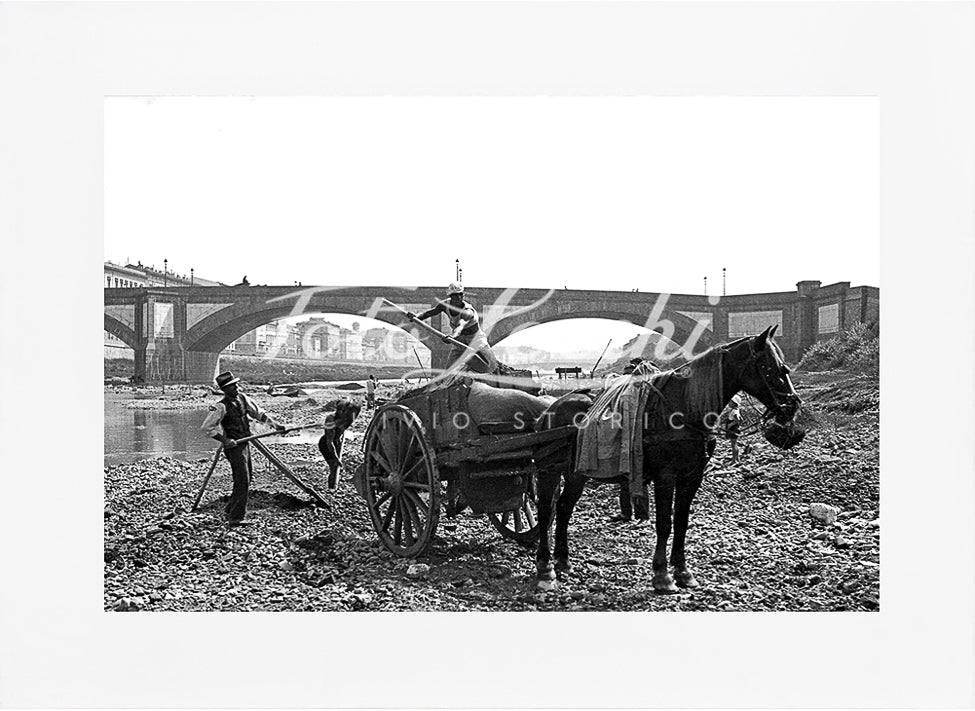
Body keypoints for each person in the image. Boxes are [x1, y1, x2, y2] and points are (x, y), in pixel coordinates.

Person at [201, 371, 286, 526]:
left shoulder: (243, 399)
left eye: (236, 385)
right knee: (243, 480)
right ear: (225, 390)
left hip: (245, 443)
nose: (237, 388)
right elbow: (207, 428)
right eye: (232, 387)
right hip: (234, 447)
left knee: (246, 478)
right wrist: (225, 440)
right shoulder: (220, 407)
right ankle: (236, 517)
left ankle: (229, 509)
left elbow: (259, 414)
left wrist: (276, 425)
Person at [407, 282, 498, 374]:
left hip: (475, 339)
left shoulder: (468, 311)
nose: (458, 298)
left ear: (463, 295)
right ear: (450, 296)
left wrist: (452, 337)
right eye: (455, 296)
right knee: (449, 370)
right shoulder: (445, 305)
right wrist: (417, 317)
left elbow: (460, 327)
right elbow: (430, 313)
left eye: (460, 295)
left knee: (490, 366)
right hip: (459, 340)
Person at [318, 400, 362, 490]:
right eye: (341, 410)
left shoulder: (347, 418)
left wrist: (339, 438)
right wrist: (336, 458)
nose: (343, 413)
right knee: (334, 467)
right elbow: (329, 442)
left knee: (336, 467)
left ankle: (334, 487)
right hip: (326, 445)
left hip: (336, 442)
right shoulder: (331, 419)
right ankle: (331, 488)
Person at [720, 394, 743, 464]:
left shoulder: (734, 411)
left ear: (734, 403)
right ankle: (737, 458)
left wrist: (729, 426)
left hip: (733, 429)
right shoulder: (735, 410)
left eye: (730, 402)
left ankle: (734, 460)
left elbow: (737, 420)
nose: (729, 403)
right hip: (734, 429)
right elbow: (741, 419)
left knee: (734, 445)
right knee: (734, 444)